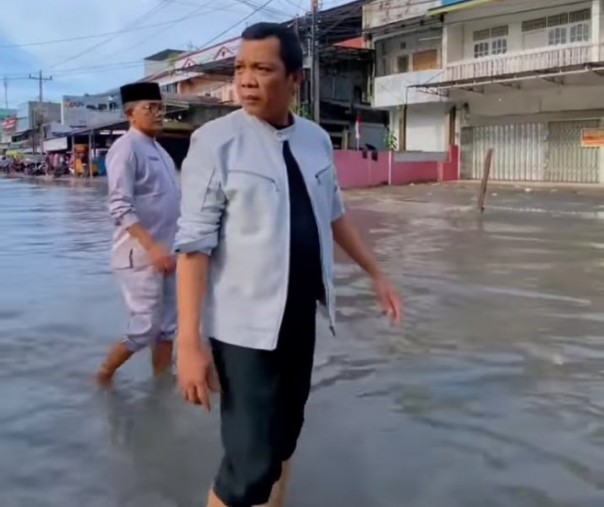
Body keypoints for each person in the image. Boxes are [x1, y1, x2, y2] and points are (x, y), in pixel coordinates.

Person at [175, 22, 401, 507]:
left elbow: (334, 216)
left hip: (299, 318)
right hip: (243, 328)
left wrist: (376, 274)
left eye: (262, 68)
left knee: (282, 444)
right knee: (246, 468)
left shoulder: (316, 140)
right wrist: (188, 341)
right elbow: (193, 246)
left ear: (295, 78)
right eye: (240, 68)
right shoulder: (216, 142)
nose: (246, 80)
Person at [97, 82, 180, 385]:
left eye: (161, 108)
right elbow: (118, 205)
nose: (158, 113)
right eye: (150, 108)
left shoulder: (161, 152)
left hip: (169, 254)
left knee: (169, 328)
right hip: (139, 256)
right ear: (130, 113)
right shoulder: (126, 149)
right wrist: (153, 247)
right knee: (144, 328)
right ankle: (103, 377)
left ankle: (160, 388)